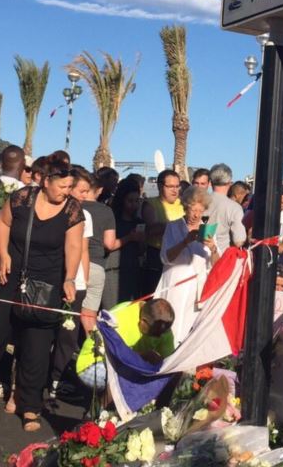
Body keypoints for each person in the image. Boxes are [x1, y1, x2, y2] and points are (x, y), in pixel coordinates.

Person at [0, 158, 83, 432]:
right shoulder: (23, 198)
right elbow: (3, 223)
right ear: (45, 182)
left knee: (37, 346)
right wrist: (2, 255)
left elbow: (74, 247)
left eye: (71, 186)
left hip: (49, 282)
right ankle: (10, 392)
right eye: (63, 186)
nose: (67, 191)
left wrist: (70, 277)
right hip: (17, 275)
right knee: (9, 339)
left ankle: (31, 407)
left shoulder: (72, 209)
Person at [49, 167, 97, 398]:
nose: (84, 195)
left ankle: (57, 378)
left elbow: (84, 250)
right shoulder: (55, 210)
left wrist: (84, 280)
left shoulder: (86, 216)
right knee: (48, 330)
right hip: (52, 277)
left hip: (75, 282)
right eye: (81, 190)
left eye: (87, 191)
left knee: (67, 334)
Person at [157, 186, 218, 346]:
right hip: (175, 283)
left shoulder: (208, 231)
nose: (196, 214)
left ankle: (183, 366)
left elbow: (216, 265)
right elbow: (165, 257)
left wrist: (213, 248)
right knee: (171, 322)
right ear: (185, 208)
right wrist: (185, 242)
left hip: (197, 288)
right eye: (193, 210)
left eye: (200, 210)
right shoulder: (173, 226)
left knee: (189, 328)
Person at [102, 178, 147, 306]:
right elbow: (108, 246)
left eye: (136, 201)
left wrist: (142, 240)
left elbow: (141, 251)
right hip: (113, 272)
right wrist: (129, 238)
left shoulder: (138, 222)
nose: (134, 205)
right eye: (130, 201)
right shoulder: (112, 220)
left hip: (133, 272)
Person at [141, 170, 184, 295]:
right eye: (170, 186)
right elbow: (152, 230)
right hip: (156, 256)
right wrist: (176, 226)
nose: (174, 190)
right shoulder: (151, 204)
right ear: (160, 186)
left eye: (177, 186)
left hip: (179, 256)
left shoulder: (184, 204)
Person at [206, 164, 246, 252]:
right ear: (229, 182)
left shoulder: (200, 202)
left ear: (210, 182)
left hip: (198, 257)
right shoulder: (234, 208)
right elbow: (238, 241)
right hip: (221, 259)